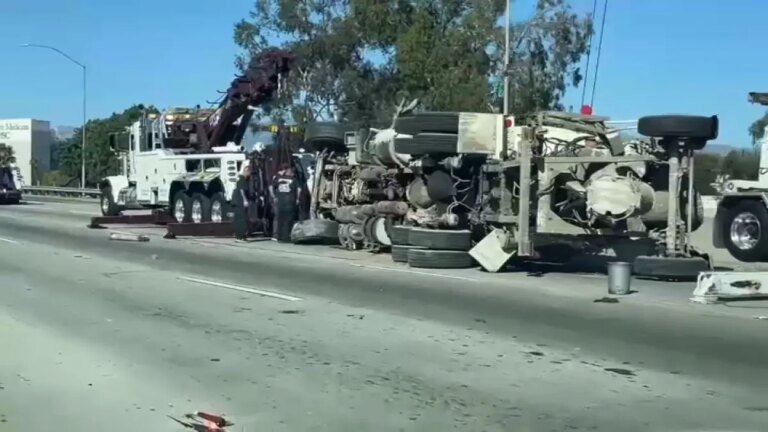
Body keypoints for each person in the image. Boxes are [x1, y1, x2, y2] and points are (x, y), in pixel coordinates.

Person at [271, 163, 301, 243]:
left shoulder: (278, 179)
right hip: (290, 202)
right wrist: (297, 199)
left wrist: (274, 196)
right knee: (288, 220)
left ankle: (279, 237)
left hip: (281, 202)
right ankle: (286, 237)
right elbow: (299, 190)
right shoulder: (294, 180)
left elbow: (271, 186)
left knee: (280, 220)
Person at [232, 163, 251, 241]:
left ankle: (239, 235)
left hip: (236, 201)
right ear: (246, 171)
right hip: (240, 201)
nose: (249, 175)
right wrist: (245, 200)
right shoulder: (242, 179)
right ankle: (241, 236)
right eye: (249, 173)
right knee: (242, 219)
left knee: (238, 218)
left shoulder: (239, 178)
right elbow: (241, 190)